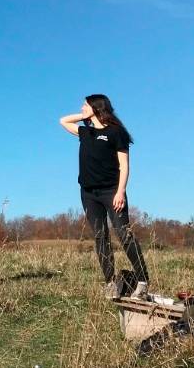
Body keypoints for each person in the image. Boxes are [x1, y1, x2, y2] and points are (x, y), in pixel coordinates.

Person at [59, 95, 149, 299]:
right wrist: (86, 116)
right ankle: (110, 282)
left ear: (96, 107)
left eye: (85, 104)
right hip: (89, 194)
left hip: (111, 192)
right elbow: (63, 120)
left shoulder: (116, 132)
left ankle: (142, 281)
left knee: (124, 234)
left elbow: (124, 165)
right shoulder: (85, 132)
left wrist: (121, 191)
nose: (81, 107)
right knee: (100, 237)